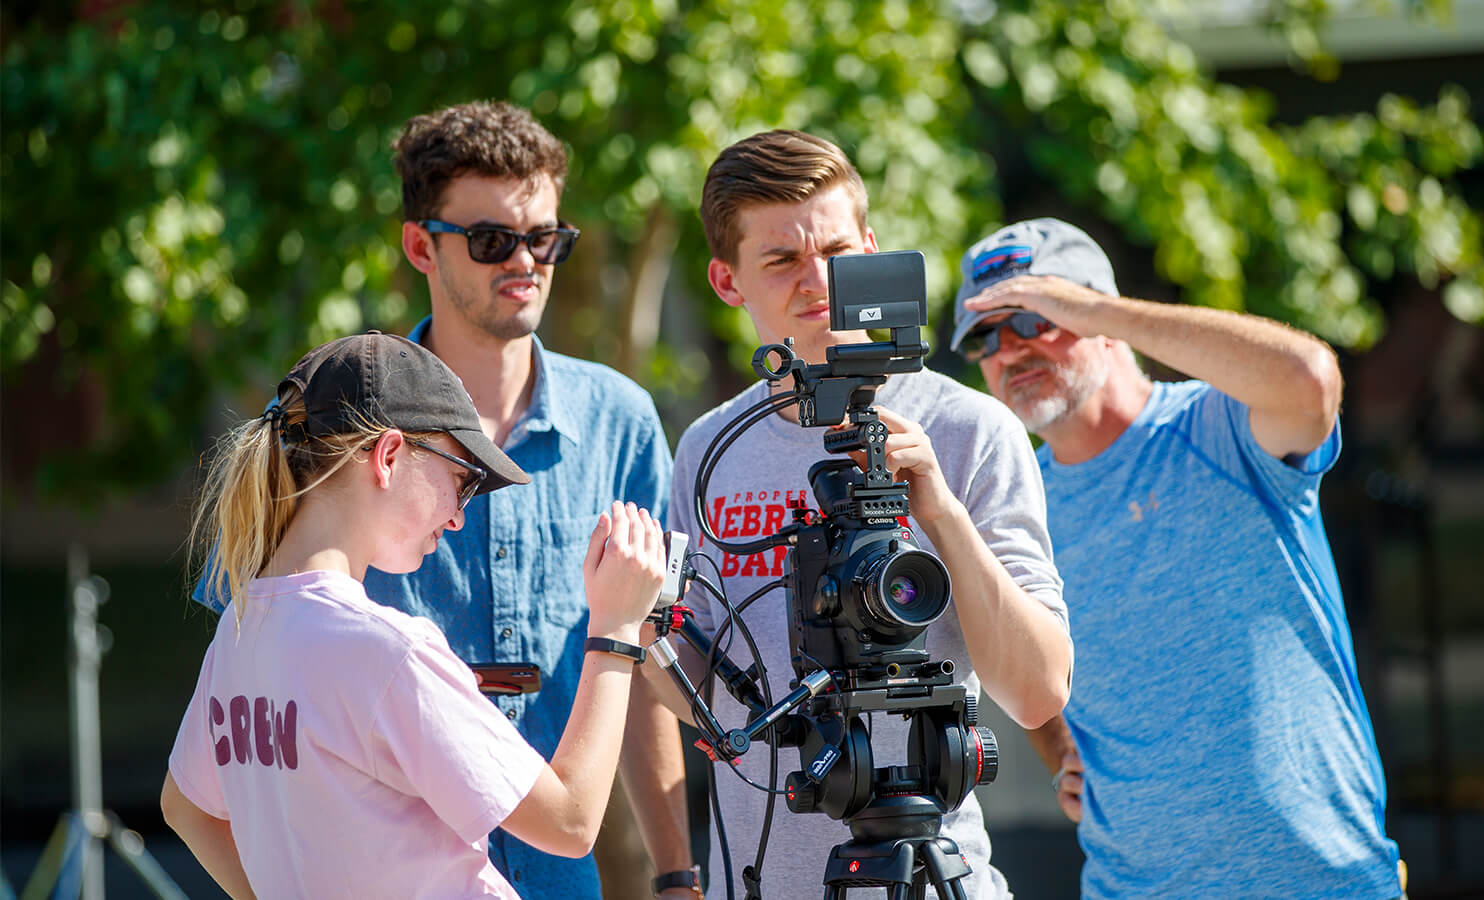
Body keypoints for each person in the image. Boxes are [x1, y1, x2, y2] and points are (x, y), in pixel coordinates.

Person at [193, 101, 695, 899]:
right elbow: (257, 672)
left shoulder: (621, 418)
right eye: (493, 240)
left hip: (563, 876)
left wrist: (677, 872)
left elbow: (645, 655)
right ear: (421, 245)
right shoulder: (335, 424)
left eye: (546, 239)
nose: (526, 261)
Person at [644, 130, 1074, 900]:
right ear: (726, 279)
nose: (818, 281)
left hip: (937, 873)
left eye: (838, 251)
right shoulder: (708, 448)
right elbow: (707, 706)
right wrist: (634, 626)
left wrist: (937, 507)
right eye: (781, 260)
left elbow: (1039, 690)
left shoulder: (970, 430)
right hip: (766, 881)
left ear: (872, 248)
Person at [951, 217, 1405, 899]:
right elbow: (1024, 672)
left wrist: (1104, 312)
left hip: (1321, 881)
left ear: (1099, 313)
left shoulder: (1218, 428)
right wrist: (1059, 752)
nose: (1009, 350)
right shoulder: (1015, 504)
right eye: (984, 336)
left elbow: (1311, 384)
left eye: (1033, 318)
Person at [162, 331, 668, 898]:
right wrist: (617, 628)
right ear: (389, 456)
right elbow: (571, 821)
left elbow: (185, 806)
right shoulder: (390, 653)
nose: (457, 517)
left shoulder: (239, 637)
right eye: (464, 479)